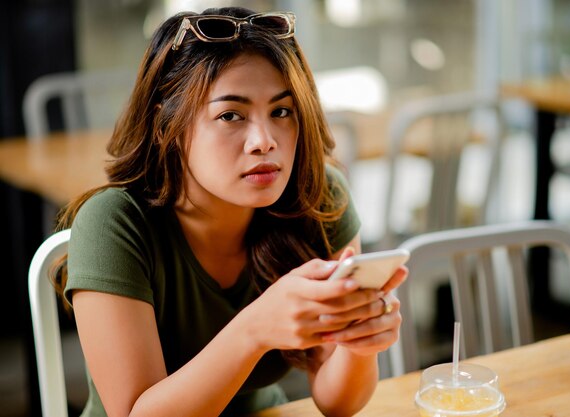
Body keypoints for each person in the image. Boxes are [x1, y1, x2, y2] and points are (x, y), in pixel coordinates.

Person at [54, 6, 407, 417]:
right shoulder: (112, 224)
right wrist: (255, 328)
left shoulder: (318, 196)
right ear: (167, 124)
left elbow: (337, 402)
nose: (264, 141)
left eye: (281, 111)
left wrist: (359, 341)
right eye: (230, 115)